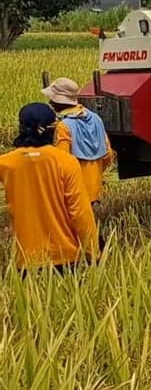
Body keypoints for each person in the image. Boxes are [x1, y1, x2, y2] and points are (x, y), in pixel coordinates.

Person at [0, 104, 98, 273]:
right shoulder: (66, 161)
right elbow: (80, 213)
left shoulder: (6, 163)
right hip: (67, 259)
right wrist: (93, 253)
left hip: (26, 262)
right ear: (52, 129)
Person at [42, 77, 114, 247]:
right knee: (88, 222)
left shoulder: (64, 126)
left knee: (74, 229)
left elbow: (62, 161)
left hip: (74, 187)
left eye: (52, 99)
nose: (51, 103)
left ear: (59, 101)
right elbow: (108, 154)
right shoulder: (96, 118)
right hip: (94, 185)